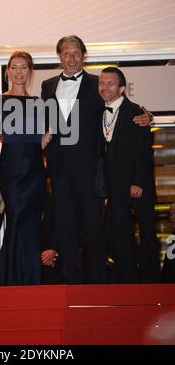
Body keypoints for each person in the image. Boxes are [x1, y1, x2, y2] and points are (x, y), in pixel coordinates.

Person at [41, 35, 151, 284]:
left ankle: (98, 282)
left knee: (94, 227)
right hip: (58, 169)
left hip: (90, 169)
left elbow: (119, 105)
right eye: (66, 53)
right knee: (65, 226)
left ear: (83, 56)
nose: (71, 58)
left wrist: (147, 116)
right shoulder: (47, 86)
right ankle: (72, 282)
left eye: (76, 53)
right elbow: (45, 121)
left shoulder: (96, 83)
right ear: (59, 57)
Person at [0, 51, 51, 286]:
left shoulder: (38, 102)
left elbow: (40, 141)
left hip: (34, 171)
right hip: (11, 172)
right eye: (14, 67)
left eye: (24, 67)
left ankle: (31, 279)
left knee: (32, 223)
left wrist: (49, 135)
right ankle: (10, 279)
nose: (18, 72)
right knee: (15, 220)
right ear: (7, 72)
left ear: (30, 72)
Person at [98, 67, 161, 283]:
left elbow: (144, 152)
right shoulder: (96, 112)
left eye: (110, 83)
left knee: (146, 234)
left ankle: (151, 282)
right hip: (113, 188)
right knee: (121, 236)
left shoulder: (137, 112)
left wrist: (138, 182)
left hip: (136, 185)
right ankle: (128, 283)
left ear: (122, 88)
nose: (105, 87)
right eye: (102, 83)